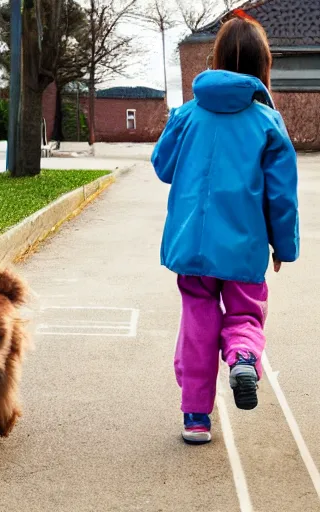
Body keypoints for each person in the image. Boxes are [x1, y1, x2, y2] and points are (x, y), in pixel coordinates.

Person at [151, 15, 299, 445]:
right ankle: (243, 356)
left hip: (192, 246)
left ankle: (196, 417)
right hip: (245, 246)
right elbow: (282, 197)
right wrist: (283, 247)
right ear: (262, 66)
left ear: (215, 59)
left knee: (197, 321)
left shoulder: (187, 114)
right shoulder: (268, 124)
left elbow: (163, 167)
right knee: (245, 313)